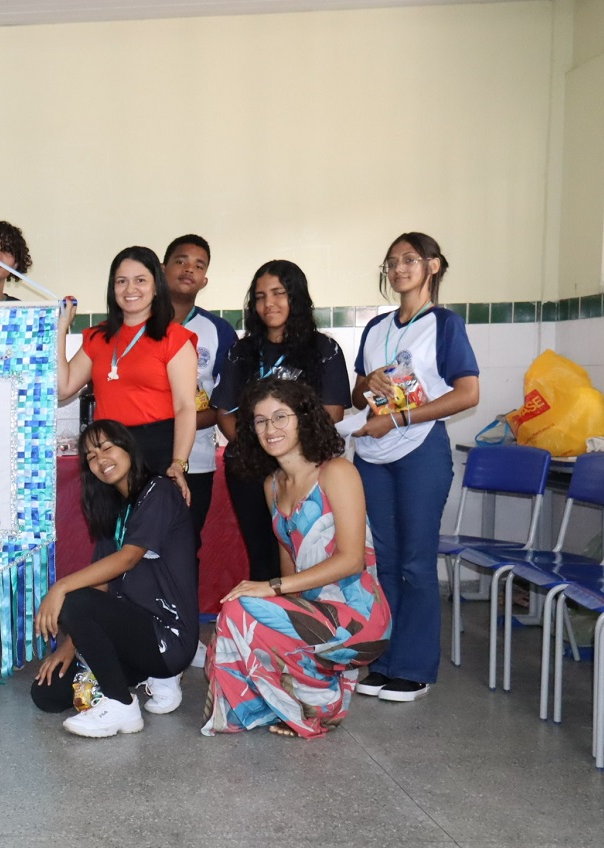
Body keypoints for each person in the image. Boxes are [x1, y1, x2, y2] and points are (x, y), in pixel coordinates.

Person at [202, 378, 390, 738]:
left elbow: (352, 560)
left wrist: (272, 588)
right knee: (236, 610)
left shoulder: (336, 472)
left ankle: (313, 703)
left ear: (303, 419)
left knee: (243, 609)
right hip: (314, 615)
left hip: (361, 620)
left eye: (280, 417)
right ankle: (284, 703)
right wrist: (278, 604)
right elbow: (290, 561)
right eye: (260, 421)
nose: (270, 428)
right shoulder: (272, 485)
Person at [350, 233, 479, 703]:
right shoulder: (376, 328)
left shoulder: (444, 324)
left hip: (420, 451)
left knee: (416, 563)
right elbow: (356, 396)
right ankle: (385, 662)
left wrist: (399, 417)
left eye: (410, 259)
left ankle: (416, 669)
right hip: (375, 458)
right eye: (392, 261)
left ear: (434, 266)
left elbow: (467, 393)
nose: (399, 268)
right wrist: (370, 383)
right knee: (384, 562)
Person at [31, 422, 197, 737]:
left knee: (73, 598)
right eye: (91, 456)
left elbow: (129, 557)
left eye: (107, 447)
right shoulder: (117, 508)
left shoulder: (158, 491)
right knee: (48, 693)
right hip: (130, 633)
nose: (100, 459)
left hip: (166, 634)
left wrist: (60, 587)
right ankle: (148, 678)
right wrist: (69, 646)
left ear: (128, 448)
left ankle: (122, 705)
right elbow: (101, 584)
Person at [210, 260, 350, 582]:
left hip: (305, 469)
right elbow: (224, 411)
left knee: (306, 553)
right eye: (259, 296)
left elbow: (333, 412)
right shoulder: (241, 352)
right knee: (262, 556)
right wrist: (259, 450)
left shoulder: (323, 349)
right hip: (248, 468)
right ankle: (265, 627)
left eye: (278, 293)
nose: (268, 303)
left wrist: (290, 454)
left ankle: (306, 624)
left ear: (296, 297)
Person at [55, 246, 198, 501]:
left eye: (140, 280)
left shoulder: (173, 337)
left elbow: (186, 407)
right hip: (107, 455)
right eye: (121, 281)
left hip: (156, 451)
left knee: (150, 537)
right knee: (111, 538)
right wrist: (60, 329)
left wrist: (179, 462)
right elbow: (62, 388)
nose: (130, 289)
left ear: (156, 287)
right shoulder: (98, 337)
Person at [163, 235, 238, 550]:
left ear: (204, 279)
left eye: (198, 265)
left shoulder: (218, 331)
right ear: (163, 268)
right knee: (134, 549)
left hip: (196, 461)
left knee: (184, 547)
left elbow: (226, 405)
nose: (188, 269)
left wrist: (177, 419)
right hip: (138, 457)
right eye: (180, 260)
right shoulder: (138, 320)